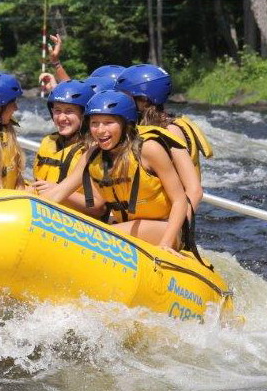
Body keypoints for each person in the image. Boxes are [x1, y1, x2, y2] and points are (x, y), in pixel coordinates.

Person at [38, 90, 190, 255]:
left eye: (108, 122)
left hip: (166, 229)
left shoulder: (148, 149)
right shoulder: (92, 154)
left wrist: (165, 245)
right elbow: (59, 192)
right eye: (95, 123)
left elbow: (180, 200)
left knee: (96, 235)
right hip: (125, 226)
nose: (100, 130)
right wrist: (30, 206)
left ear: (125, 124)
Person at [114, 64, 212, 210]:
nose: (119, 102)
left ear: (144, 100)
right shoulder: (138, 125)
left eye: (124, 97)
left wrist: (179, 227)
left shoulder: (170, 131)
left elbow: (194, 191)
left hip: (166, 220)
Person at [31, 80, 103, 217]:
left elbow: (98, 208)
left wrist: (58, 190)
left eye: (69, 111)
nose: (62, 118)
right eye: (57, 111)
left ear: (84, 115)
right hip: (45, 213)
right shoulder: (48, 142)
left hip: (78, 223)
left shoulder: (93, 150)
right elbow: (36, 185)